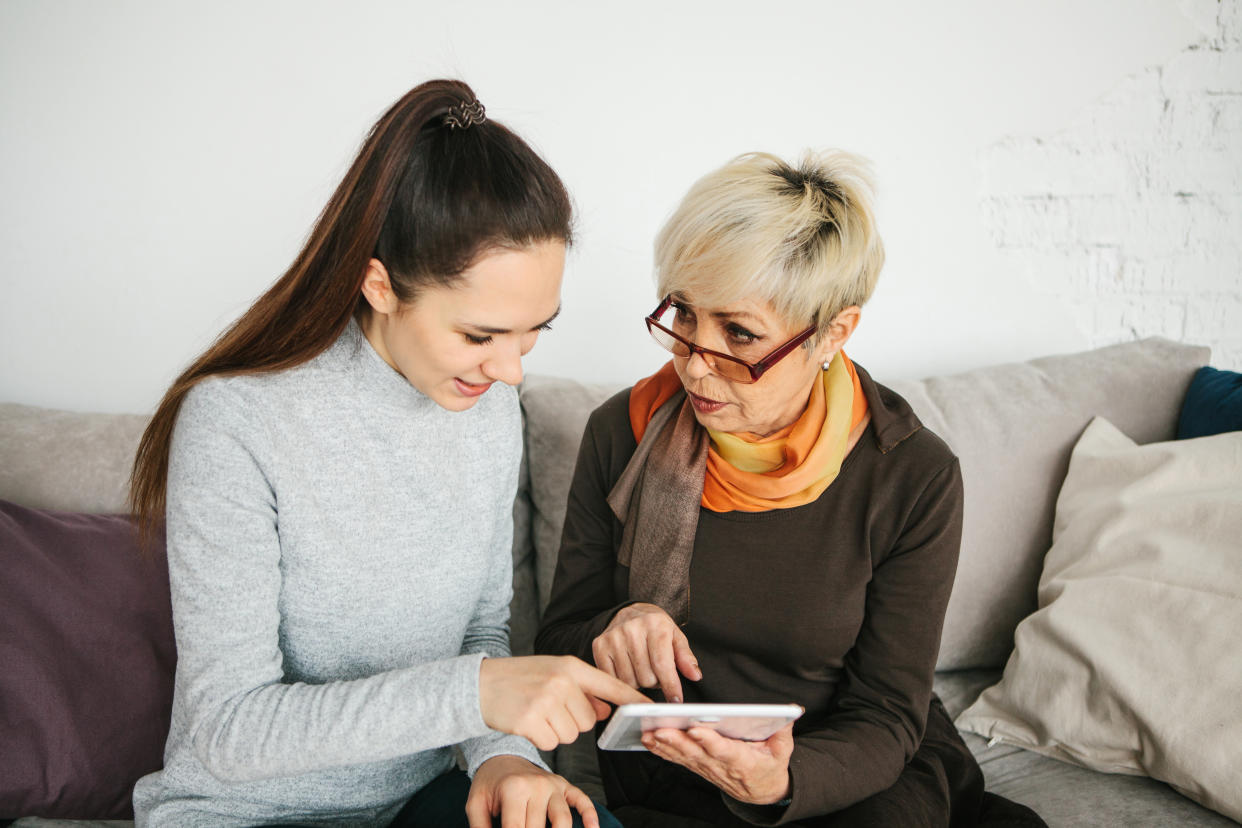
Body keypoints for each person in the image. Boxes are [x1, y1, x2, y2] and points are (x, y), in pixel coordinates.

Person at [127, 79, 645, 828]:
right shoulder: (236, 422)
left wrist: (505, 756)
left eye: (536, 331)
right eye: (479, 335)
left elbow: (479, 638)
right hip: (244, 814)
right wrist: (476, 694)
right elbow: (229, 728)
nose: (512, 372)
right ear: (380, 285)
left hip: (419, 804)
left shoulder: (487, 408)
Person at [535, 150, 1047, 827]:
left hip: (850, 771)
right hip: (677, 774)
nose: (693, 365)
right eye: (684, 315)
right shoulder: (622, 434)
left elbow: (887, 713)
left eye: (739, 334)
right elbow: (559, 641)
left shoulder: (911, 475)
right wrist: (613, 626)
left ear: (834, 332)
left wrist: (780, 780)